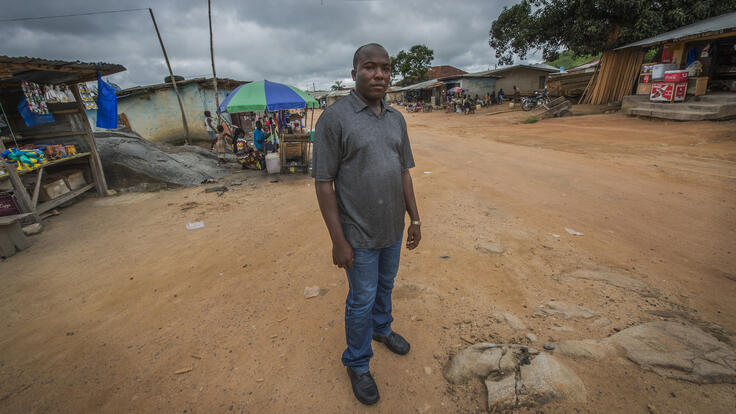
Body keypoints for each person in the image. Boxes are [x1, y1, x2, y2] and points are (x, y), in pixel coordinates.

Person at [313, 43, 421, 406]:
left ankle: (382, 329)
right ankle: (357, 363)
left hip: (391, 229)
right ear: (354, 71)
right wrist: (337, 241)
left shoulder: (395, 118)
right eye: (370, 67)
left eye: (385, 68)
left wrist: (415, 218)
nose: (379, 75)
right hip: (357, 235)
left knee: (385, 286)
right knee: (361, 298)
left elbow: (404, 172)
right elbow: (323, 183)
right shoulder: (335, 118)